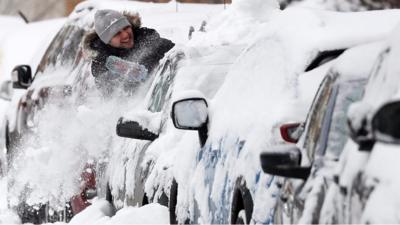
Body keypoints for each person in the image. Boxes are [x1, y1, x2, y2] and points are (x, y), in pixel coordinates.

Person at [83, 9, 175, 96]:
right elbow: (114, 99)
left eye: (126, 28)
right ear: (107, 41)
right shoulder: (102, 63)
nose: (125, 35)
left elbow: (180, 56)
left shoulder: (148, 39)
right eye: (116, 33)